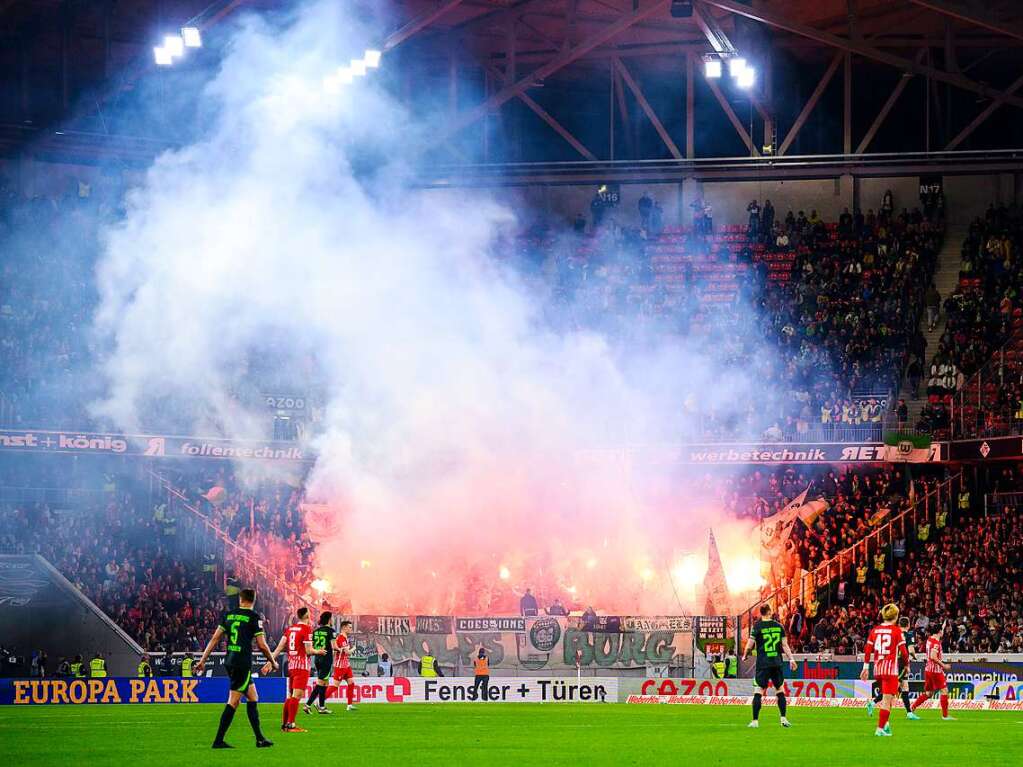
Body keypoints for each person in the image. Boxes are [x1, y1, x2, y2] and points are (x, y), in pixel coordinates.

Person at [195, 587, 277, 749]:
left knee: (253, 697)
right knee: (233, 701)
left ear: (240, 599)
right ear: (254, 600)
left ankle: (260, 738)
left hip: (230, 660)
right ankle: (218, 740)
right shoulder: (254, 617)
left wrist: (203, 659)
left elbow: (214, 639)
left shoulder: (229, 615)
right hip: (242, 662)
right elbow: (262, 645)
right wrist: (273, 661)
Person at [265, 606, 322, 733]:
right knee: (297, 696)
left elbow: (279, 647)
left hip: (291, 666)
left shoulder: (290, 629)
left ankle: (285, 724)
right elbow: (308, 651)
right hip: (301, 667)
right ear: (307, 616)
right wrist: (319, 651)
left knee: (290, 696)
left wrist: (271, 661)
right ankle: (291, 725)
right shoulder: (307, 629)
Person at [741, 603, 797, 728]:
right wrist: (792, 659)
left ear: (761, 613)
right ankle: (783, 719)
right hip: (776, 663)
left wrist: (745, 655)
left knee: (758, 691)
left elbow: (750, 644)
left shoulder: (757, 626)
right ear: (770, 612)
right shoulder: (779, 626)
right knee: (780, 690)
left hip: (763, 664)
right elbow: (784, 645)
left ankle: (755, 721)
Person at [860, 602, 909, 737]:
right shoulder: (896, 631)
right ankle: (880, 728)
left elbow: (868, 649)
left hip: (878, 669)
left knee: (889, 697)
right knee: (887, 700)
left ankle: (885, 724)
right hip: (890, 670)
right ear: (896, 616)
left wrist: (865, 667)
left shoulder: (875, 630)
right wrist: (907, 665)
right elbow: (904, 653)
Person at [867, 616, 918, 719]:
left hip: (892, 662)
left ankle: (909, 713)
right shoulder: (909, 635)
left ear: (899, 624)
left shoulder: (894, 632)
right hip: (901, 664)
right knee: (892, 689)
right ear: (908, 625)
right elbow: (911, 650)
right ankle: (873, 702)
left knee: (905, 687)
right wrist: (914, 657)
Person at [910, 622, 955, 721]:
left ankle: (912, 707)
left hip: (928, 670)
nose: (943, 632)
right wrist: (944, 665)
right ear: (939, 632)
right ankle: (945, 716)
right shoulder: (936, 643)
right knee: (944, 691)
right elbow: (933, 657)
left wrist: (944, 623)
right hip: (936, 671)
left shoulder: (930, 639)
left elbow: (940, 630)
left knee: (929, 693)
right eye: (942, 630)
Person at [304, 611, 335, 715]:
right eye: (332, 618)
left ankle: (321, 706)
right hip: (326, 658)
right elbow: (334, 646)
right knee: (321, 683)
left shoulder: (316, 631)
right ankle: (307, 705)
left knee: (325, 683)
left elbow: (311, 645)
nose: (333, 620)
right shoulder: (331, 631)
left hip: (317, 658)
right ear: (329, 619)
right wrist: (342, 649)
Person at [331, 620, 358, 711]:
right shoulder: (341, 638)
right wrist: (354, 648)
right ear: (344, 627)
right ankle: (319, 702)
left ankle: (349, 705)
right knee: (335, 686)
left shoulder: (345, 637)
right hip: (340, 666)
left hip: (346, 665)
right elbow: (347, 652)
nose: (351, 629)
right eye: (349, 627)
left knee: (351, 683)